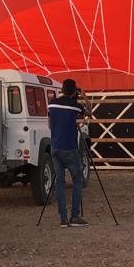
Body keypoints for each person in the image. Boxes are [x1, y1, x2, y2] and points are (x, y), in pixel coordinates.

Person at [47, 79, 88, 227]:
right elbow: (89, 114)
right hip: (69, 147)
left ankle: (63, 219)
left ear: (62, 90)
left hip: (55, 147)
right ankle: (75, 216)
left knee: (60, 182)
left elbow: (49, 124)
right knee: (77, 180)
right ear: (74, 91)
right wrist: (84, 96)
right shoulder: (76, 106)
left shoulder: (52, 104)